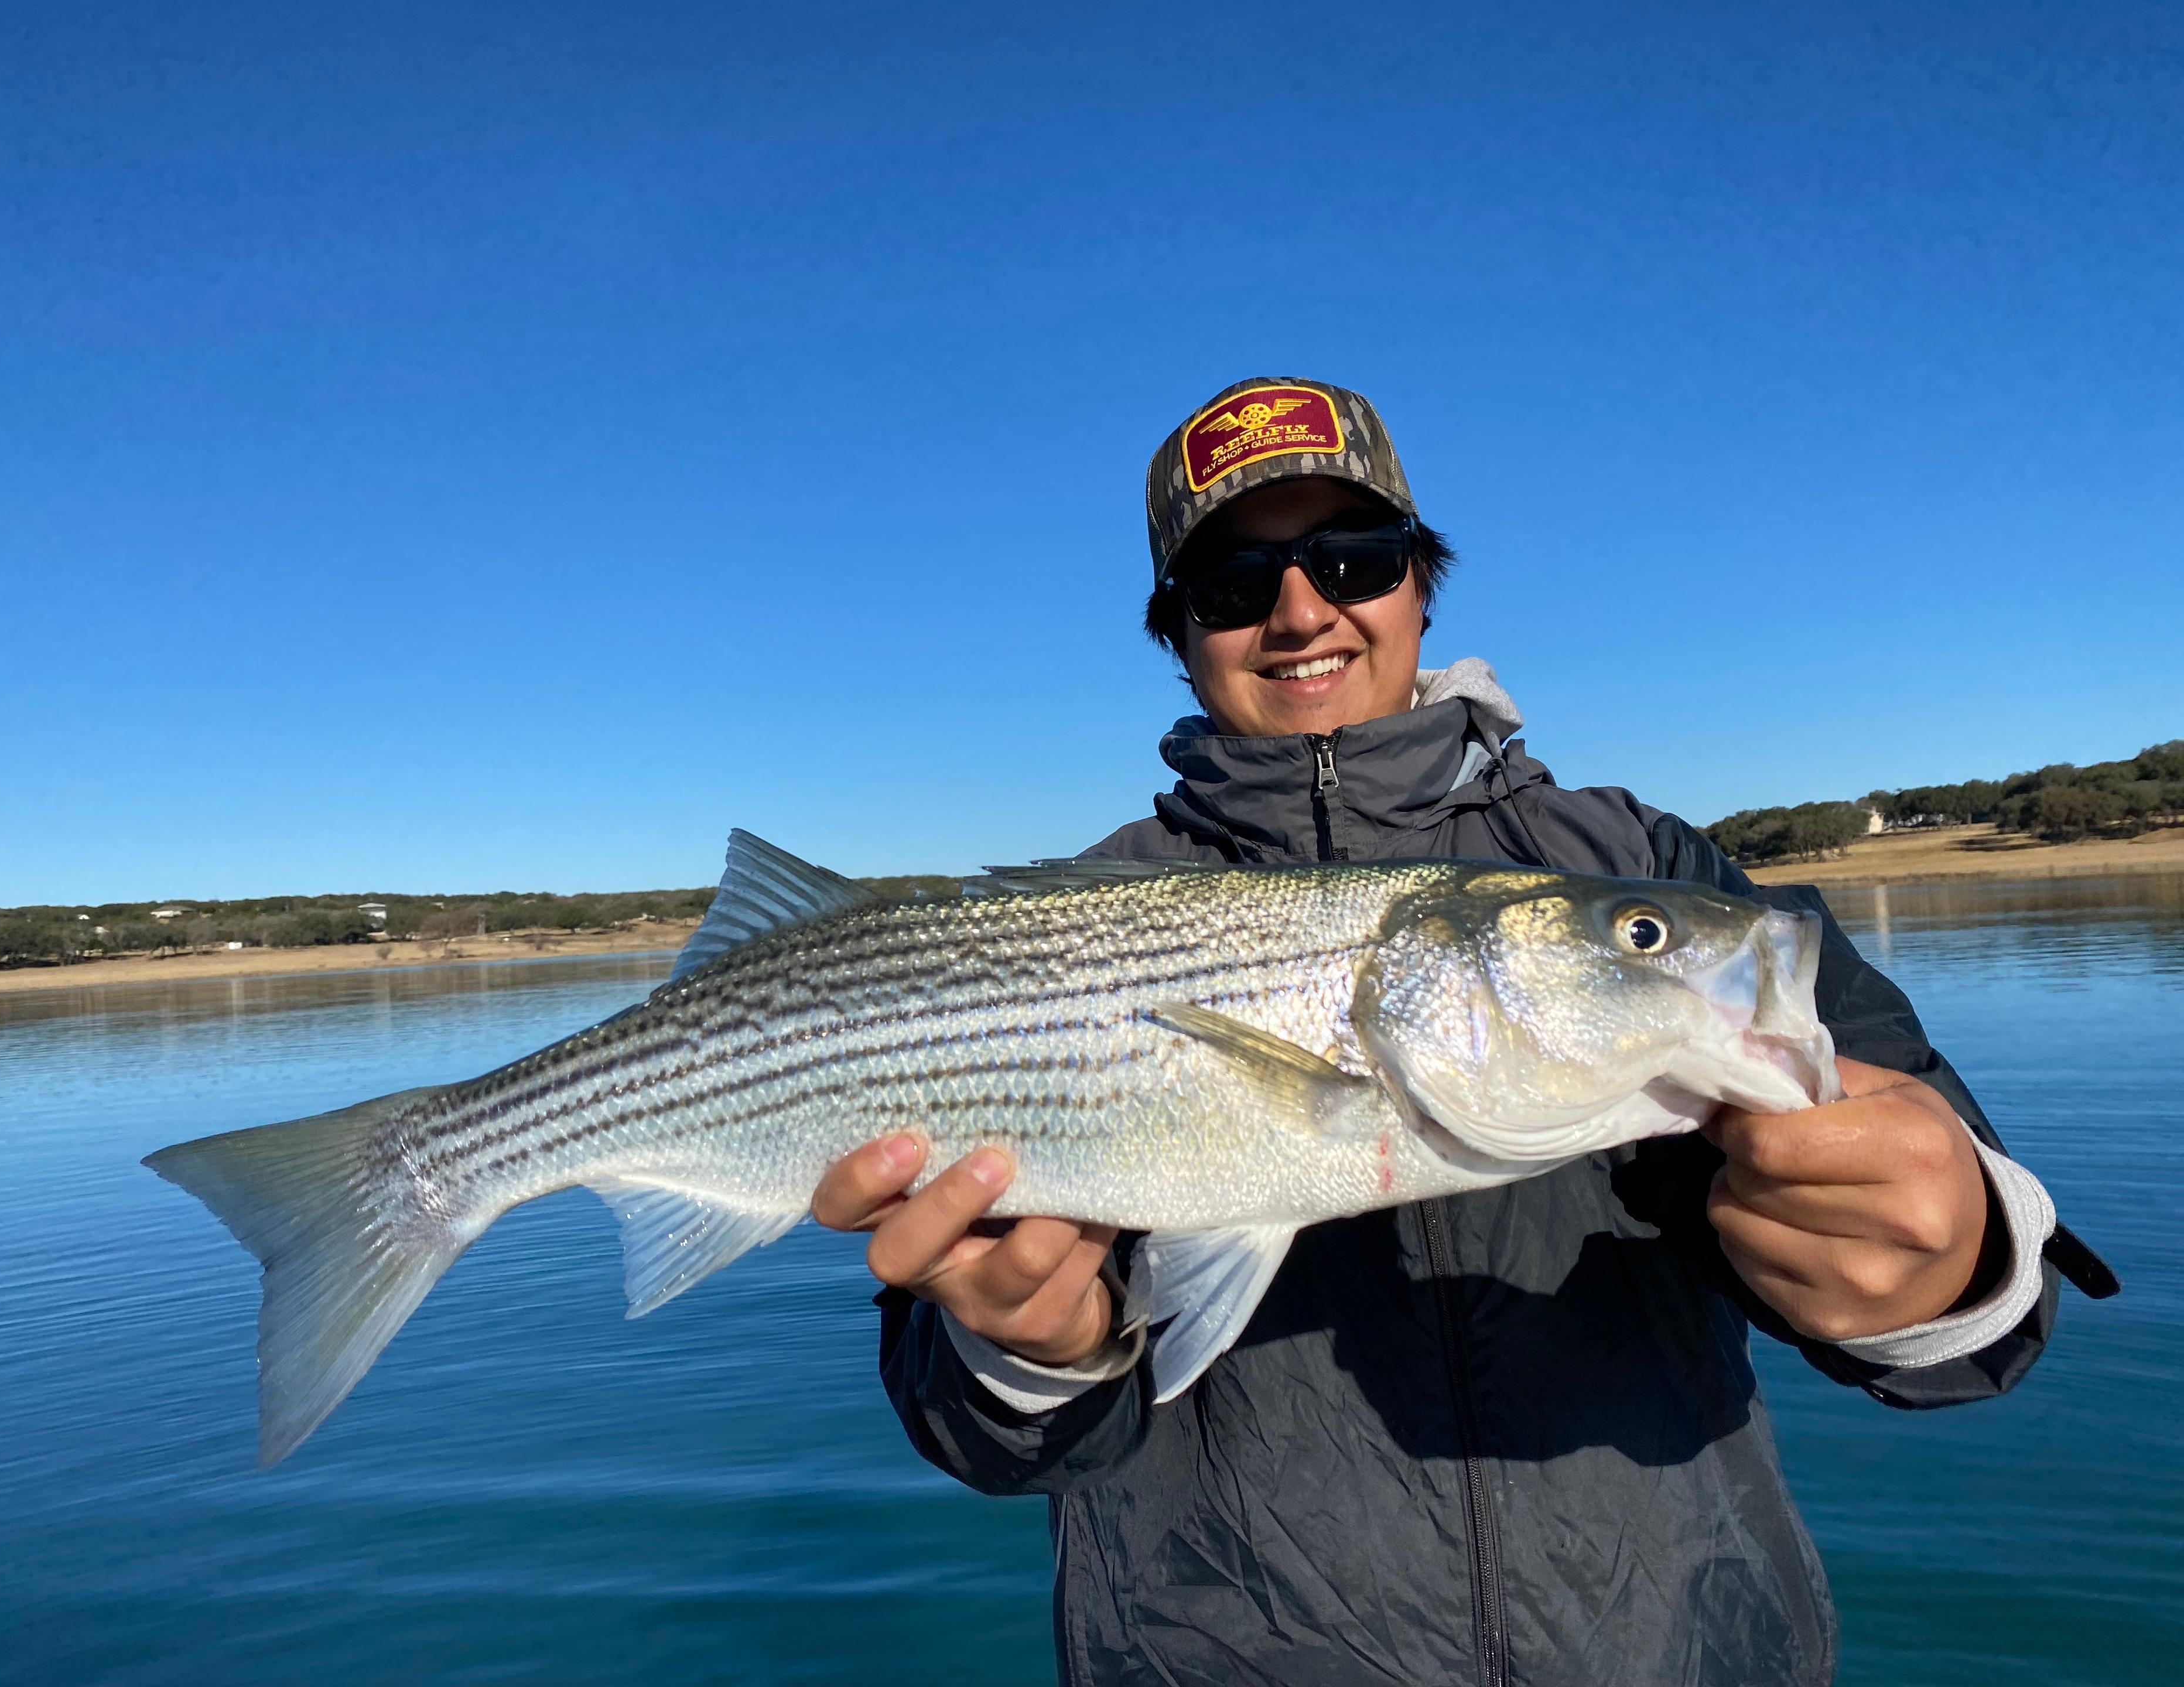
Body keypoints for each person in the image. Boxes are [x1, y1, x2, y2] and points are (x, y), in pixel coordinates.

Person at [809, 378, 2116, 1687]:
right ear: (1179, 637)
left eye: (1354, 559)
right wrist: (1026, 1349)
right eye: (1233, 581)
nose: (1303, 609)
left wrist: (1948, 1259)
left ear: (1419, 589)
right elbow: (983, 1440)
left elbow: (2001, 1303)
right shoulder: (1083, 915)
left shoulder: (1642, 865)